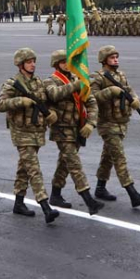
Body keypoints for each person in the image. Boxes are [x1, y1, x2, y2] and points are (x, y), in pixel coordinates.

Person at [0, 48, 78, 223]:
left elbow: (47, 101)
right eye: (29, 62)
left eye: (34, 61)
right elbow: (0, 104)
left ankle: (18, 203)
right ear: (20, 64)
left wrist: (51, 113)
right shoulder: (12, 83)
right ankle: (45, 207)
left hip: (36, 131)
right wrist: (20, 101)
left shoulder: (38, 82)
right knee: (34, 169)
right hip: (21, 132)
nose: (33, 64)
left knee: (24, 168)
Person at [89, 45, 140, 207]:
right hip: (107, 123)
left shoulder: (120, 75)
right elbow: (92, 97)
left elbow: (128, 89)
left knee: (108, 157)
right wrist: (111, 91)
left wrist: (135, 99)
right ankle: (133, 193)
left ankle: (100, 188)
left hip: (121, 121)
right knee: (119, 158)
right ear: (104, 60)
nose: (116, 59)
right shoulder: (98, 77)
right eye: (112, 57)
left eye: (116, 57)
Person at [46, 50, 102, 214]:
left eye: (68, 62)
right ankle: (89, 201)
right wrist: (76, 85)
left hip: (78, 128)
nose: (67, 65)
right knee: (74, 163)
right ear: (57, 64)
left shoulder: (78, 80)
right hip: (62, 130)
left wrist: (91, 123)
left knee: (64, 163)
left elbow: (91, 103)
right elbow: (54, 95)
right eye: (63, 62)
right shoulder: (51, 81)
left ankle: (55, 195)